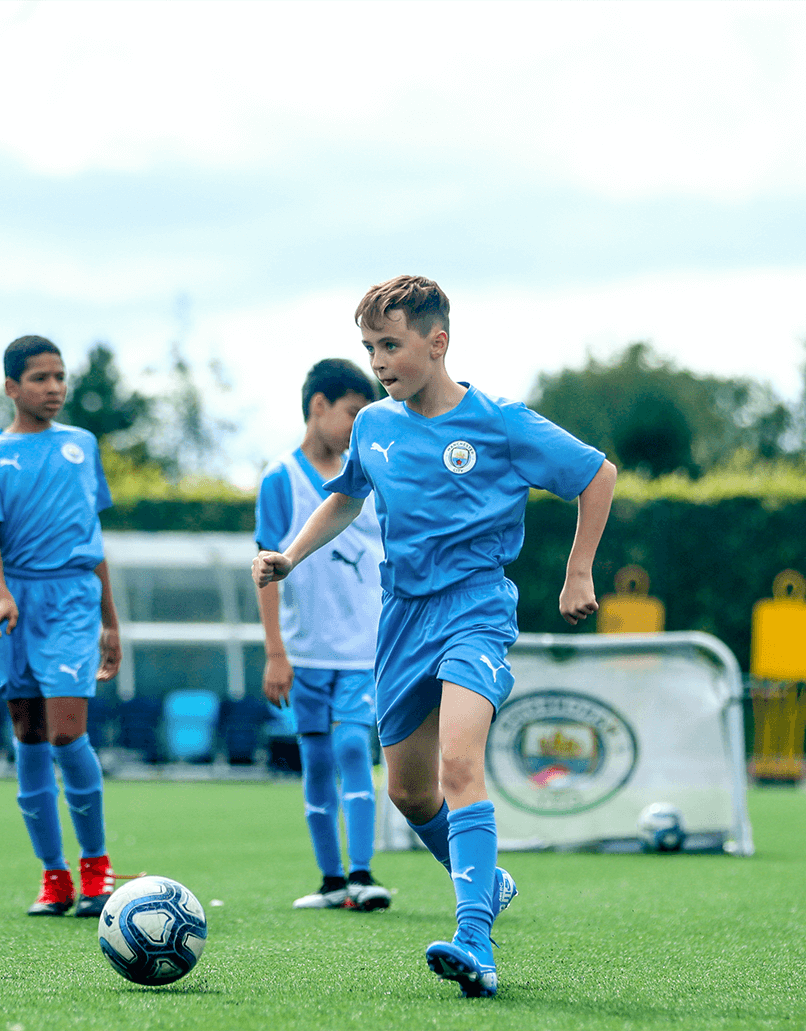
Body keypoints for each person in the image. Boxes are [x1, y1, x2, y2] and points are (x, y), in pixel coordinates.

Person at [253, 276, 617, 998]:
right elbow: (346, 496)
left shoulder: (501, 421)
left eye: (390, 345)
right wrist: (290, 556)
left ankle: (475, 940)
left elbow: (596, 474)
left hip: (476, 609)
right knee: (412, 793)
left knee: (459, 763)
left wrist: (578, 573)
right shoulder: (376, 427)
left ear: (437, 342)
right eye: (369, 347)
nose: (378, 361)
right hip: (402, 619)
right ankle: (488, 879)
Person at [0, 335, 123, 918]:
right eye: (40, 378)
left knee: (65, 732)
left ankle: (96, 868)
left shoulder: (82, 446)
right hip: (18, 604)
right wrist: (1, 596)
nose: (54, 387)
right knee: (29, 735)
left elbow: (94, 539)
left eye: (60, 376)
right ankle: (54, 878)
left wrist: (111, 622)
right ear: (12, 388)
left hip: (72, 601)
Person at [255, 358, 392, 913]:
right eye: (353, 414)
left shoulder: (374, 473)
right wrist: (275, 653)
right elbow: (264, 565)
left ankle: (362, 874)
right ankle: (330, 881)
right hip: (305, 652)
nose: (359, 426)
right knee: (314, 761)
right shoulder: (280, 478)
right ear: (319, 407)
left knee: (355, 745)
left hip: (364, 650)